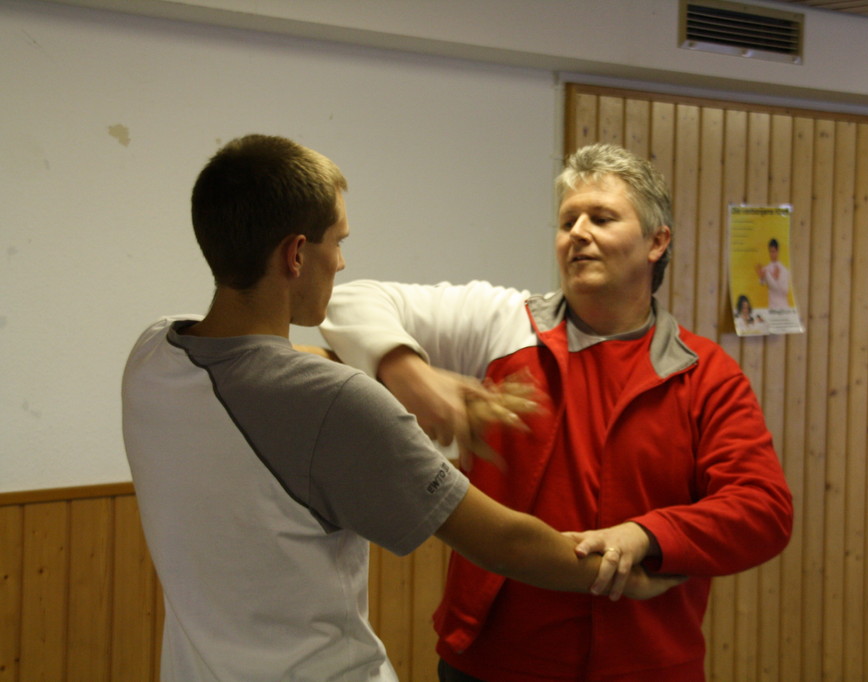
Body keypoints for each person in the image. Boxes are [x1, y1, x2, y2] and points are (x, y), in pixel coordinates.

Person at [120, 135, 676, 682]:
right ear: (295, 254)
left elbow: (259, 367)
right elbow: (507, 543)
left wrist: (403, 370)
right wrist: (629, 575)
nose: (341, 262)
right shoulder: (334, 401)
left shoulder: (152, 352)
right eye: (337, 241)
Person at [320, 143, 794, 681]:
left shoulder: (704, 373)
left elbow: (763, 510)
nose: (579, 233)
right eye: (569, 220)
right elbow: (349, 301)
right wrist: (412, 376)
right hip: (491, 664)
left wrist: (647, 535)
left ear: (656, 241)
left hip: (646, 665)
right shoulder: (505, 321)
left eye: (602, 218)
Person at [755, 237, 791, 309]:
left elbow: (785, 291)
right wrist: (762, 276)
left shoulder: (784, 270)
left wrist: (776, 278)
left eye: (774, 251)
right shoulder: (766, 269)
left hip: (783, 307)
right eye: (770, 251)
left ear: (777, 251)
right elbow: (761, 282)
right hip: (772, 306)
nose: (772, 254)